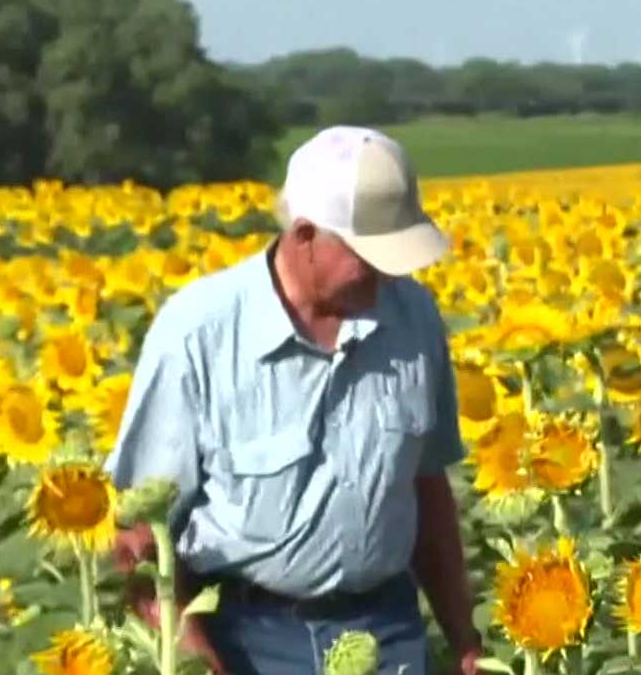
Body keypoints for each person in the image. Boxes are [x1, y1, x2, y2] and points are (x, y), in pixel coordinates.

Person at [105, 126, 483, 675]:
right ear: (305, 234)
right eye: (367, 256)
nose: (385, 276)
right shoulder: (200, 334)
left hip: (387, 630)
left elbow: (426, 490)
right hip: (246, 636)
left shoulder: (413, 317)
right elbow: (137, 536)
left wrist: (465, 641)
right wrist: (196, 664)